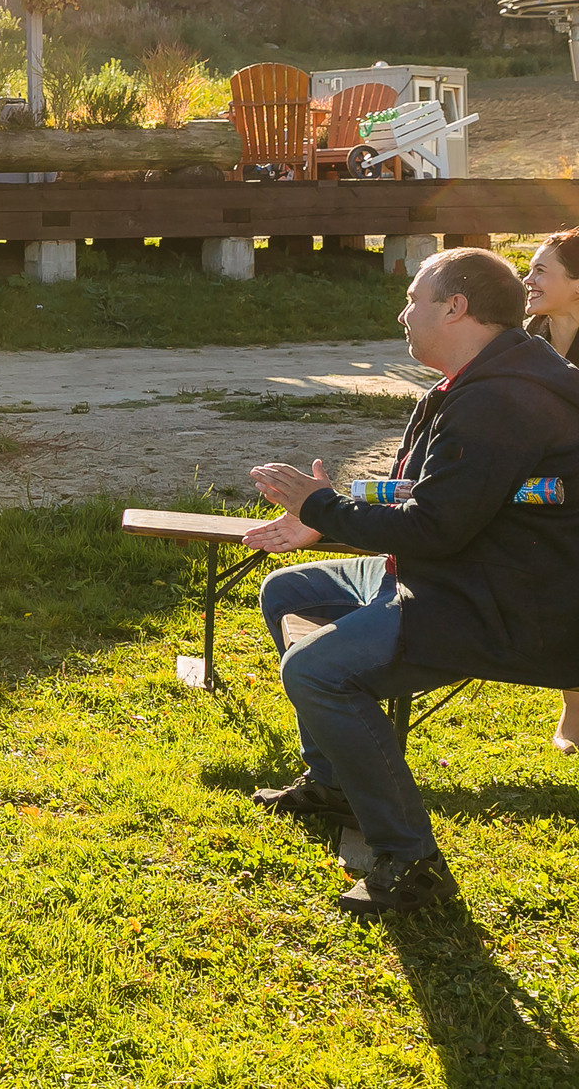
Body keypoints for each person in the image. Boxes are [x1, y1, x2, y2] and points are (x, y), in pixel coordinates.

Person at [244, 247, 579, 914]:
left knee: (317, 669)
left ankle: (412, 862)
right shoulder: (482, 379)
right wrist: (326, 513)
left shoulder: (502, 398)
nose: (403, 312)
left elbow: (435, 527)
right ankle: (337, 779)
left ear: (455, 307)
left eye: (415, 298)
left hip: (498, 595)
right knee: (287, 592)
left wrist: (323, 508)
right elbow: (432, 496)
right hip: (460, 565)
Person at [522, 228, 579, 754]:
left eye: (542, 270)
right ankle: (574, 700)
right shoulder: (525, 339)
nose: (528, 279)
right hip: (543, 484)